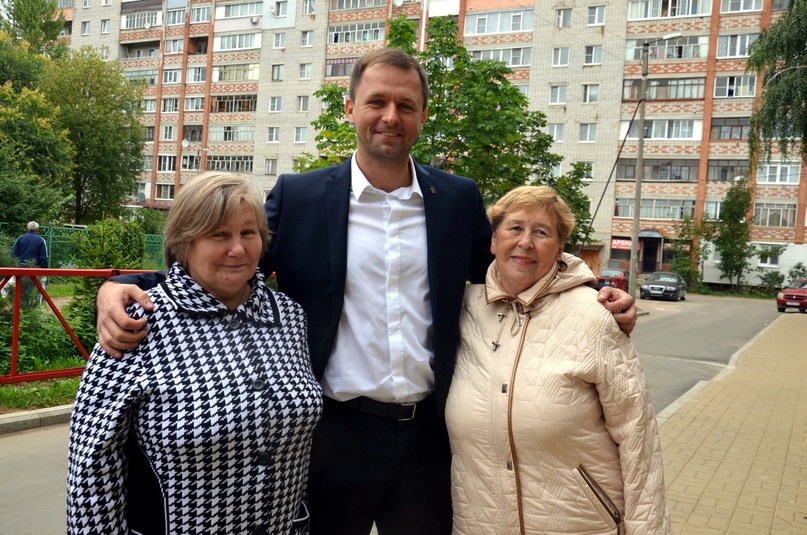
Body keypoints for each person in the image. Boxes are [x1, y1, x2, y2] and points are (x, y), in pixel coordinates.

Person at [94, 49, 638, 535]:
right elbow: (231, 262)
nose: (390, 117)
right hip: (332, 436)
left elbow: (513, 272)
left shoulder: (455, 198)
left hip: (431, 435)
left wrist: (589, 290)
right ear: (351, 108)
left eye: (406, 105)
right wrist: (124, 285)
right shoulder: (302, 196)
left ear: (422, 117)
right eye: (377, 101)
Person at [67, 173, 323, 534]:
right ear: (185, 243)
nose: (238, 249)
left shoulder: (289, 317)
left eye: (248, 233)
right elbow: (93, 464)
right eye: (219, 234)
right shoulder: (138, 321)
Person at [446, 186, 670, 535]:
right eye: (515, 228)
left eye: (541, 232)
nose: (525, 242)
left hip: (578, 524)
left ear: (560, 247)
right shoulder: (461, 309)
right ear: (493, 241)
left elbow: (638, 440)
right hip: (479, 524)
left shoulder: (594, 315)